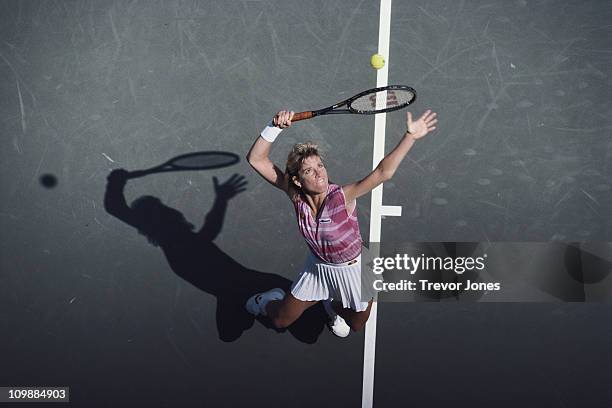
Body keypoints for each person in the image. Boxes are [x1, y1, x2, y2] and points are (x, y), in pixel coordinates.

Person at [245, 109, 437, 337]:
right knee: (280, 320)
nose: (319, 174)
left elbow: (383, 172)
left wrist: (410, 137)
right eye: (309, 170)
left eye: (320, 166)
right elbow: (256, 159)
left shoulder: (342, 197)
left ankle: (331, 306)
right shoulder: (295, 195)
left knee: (355, 325)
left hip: (355, 269)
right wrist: (274, 126)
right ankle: (266, 300)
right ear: (297, 180)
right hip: (318, 267)